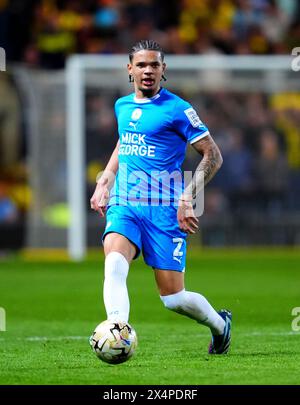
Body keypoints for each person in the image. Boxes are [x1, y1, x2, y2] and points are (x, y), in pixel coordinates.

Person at [90, 40, 231, 354]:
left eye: (154, 65)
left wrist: (187, 197)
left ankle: (221, 326)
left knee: (173, 299)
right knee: (114, 263)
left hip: (164, 211)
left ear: (163, 70)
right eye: (141, 65)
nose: (148, 70)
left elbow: (213, 154)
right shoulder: (122, 106)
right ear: (130, 69)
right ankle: (117, 331)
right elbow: (125, 142)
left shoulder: (178, 109)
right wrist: (105, 180)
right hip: (126, 203)